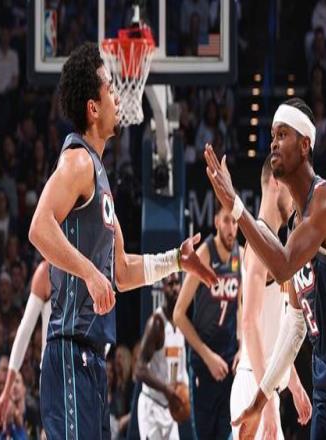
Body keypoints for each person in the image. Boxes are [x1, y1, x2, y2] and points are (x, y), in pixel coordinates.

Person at [28, 42, 216, 440]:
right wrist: (89, 273)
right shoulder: (77, 160)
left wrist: (176, 260)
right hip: (69, 351)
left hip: (94, 360)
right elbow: (39, 227)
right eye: (110, 88)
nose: (117, 96)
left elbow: (123, 270)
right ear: (93, 108)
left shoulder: (100, 176)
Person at [204, 97, 326, 439]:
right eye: (272, 135)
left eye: (282, 134)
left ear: (305, 146)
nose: (273, 143)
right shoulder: (291, 231)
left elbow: (284, 266)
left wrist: (235, 205)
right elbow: (294, 324)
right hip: (325, 391)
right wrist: (261, 400)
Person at [229, 155, 311, 439]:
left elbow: (276, 332)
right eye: (292, 185)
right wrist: (264, 404)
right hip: (254, 385)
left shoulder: (273, 243)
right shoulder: (258, 243)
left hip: (264, 386)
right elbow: (249, 324)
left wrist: (294, 384)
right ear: (276, 182)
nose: (295, 197)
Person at [173, 202, 242, 440]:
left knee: (229, 433)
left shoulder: (240, 254)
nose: (231, 228)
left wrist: (242, 347)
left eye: (235, 221)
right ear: (216, 222)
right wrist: (207, 356)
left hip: (229, 362)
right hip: (205, 363)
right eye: (226, 220)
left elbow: (241, 306)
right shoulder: (204, 253)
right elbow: (178, 314)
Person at [0, 260, 51, 426]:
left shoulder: (88, 265)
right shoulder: (45, 272)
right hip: (53, 371)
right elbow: (23, 334)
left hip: (83, 368)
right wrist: (6, 391)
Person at [135, 273, 187, 440]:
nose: (175, 288)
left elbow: (181, 368)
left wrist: (184, 392)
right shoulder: (157, 323)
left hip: (169, 408)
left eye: (177, 283)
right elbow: (139, 370)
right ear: (163, 288)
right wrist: (166, 389)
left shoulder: (181, 322)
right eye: (170, 284)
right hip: (151, 407)